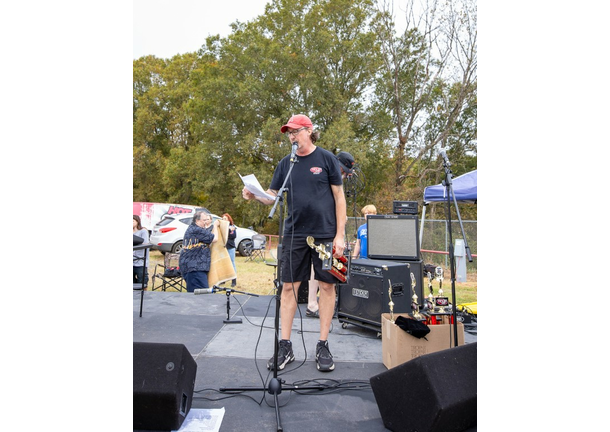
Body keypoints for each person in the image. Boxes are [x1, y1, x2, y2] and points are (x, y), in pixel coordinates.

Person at [242, 114, 347, 372]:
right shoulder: (285, 164)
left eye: (295, 131)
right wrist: (254, 194)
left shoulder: (326, 159)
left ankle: (323, 344)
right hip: (293, 234)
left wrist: (340, 235)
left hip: (325, 234)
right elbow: (272, 197)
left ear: (309, 131)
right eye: (289, 133)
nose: (291, 136)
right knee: (288, 288)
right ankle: (285, 345)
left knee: (327, 286)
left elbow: (339, 197)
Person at [307, 150, 355, 318]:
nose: (342, 176)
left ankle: (317, 301)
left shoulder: (334, 180)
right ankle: (313, 303)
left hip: (328, 227)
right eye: (342, 172)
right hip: (319, 228)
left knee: (323, 266)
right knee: (319, 266)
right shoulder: (324, 176)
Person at [179, 210, 220, 292]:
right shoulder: (196, 230)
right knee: (201, 295)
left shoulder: (196, 229)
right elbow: (215, 238)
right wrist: (215, 226)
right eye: (204, 220)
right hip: (194, 269)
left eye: (207, 220)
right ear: (197, 220)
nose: (206, 222)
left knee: (200, 294)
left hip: (194, 268)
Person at [133, 215, 149, 287]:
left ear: (137, 222)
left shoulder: (143, 231)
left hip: (140, 262)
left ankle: (144, 296)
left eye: (133, 221)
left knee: (142, 282)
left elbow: (145, 243)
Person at [222, 213, 238, 287]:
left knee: (232, 263)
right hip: (223, 247)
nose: (224, 220)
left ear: (229, 220)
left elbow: (233, 236)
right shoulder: (221, 227)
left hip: (230, 247)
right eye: (223, 219)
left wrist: (228, 230)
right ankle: (223, 279)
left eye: (225, 219)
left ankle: (234, 280)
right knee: (224, 263)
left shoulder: (232, 227)